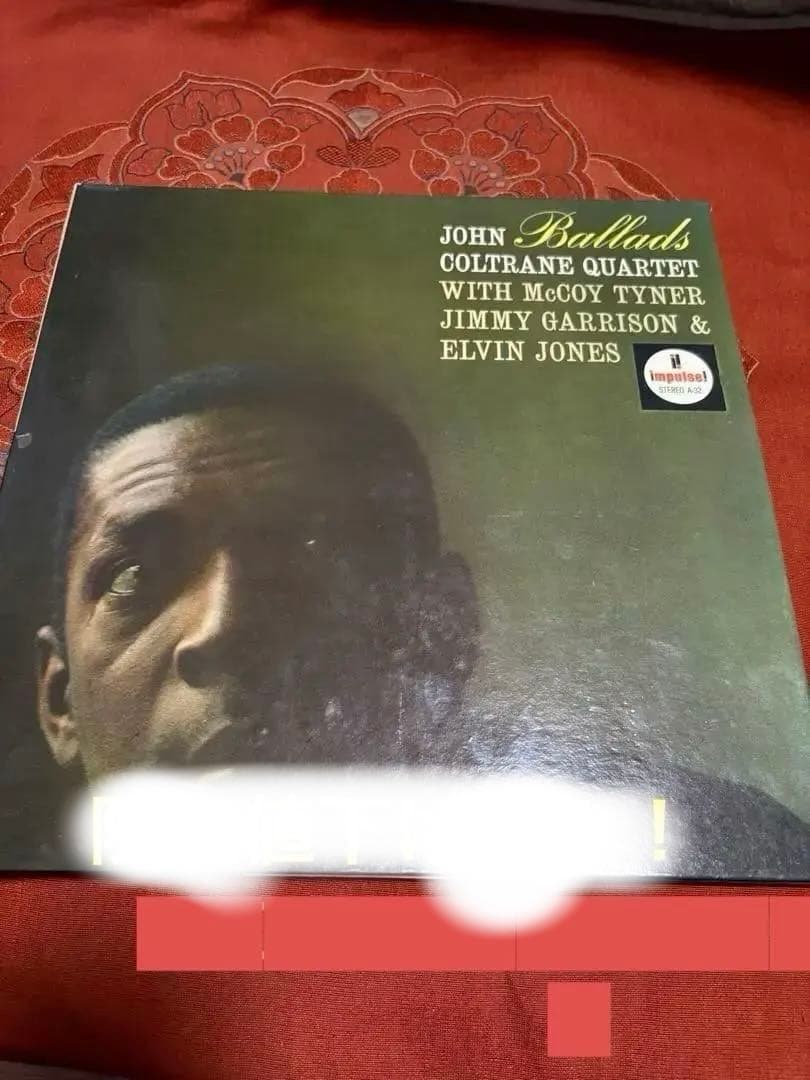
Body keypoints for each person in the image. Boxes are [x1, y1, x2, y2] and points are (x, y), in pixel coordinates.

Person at [33, 363, 809, 876]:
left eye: (317, 553)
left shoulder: (712, 846)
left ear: (443, 626)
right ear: (59, 701)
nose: (223, 626)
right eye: (136, 577)